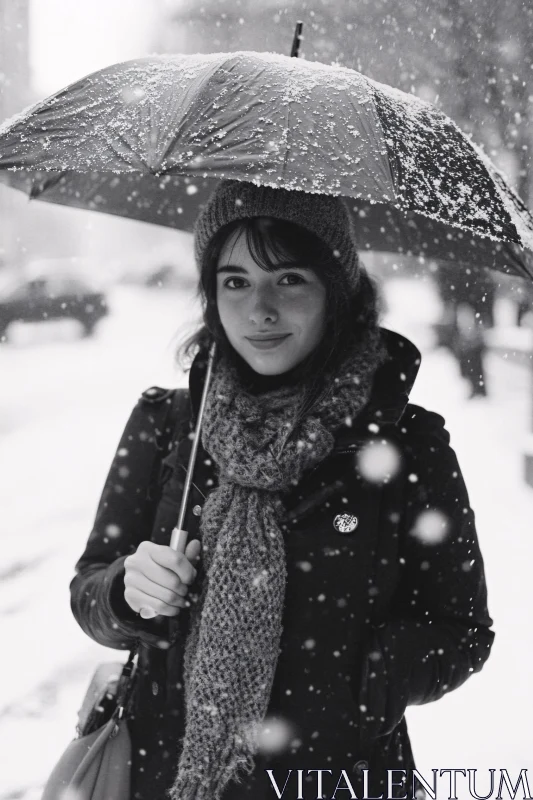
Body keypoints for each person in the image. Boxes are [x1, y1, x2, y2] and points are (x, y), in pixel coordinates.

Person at [70, 181, 495, 800]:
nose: (258, 309)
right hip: (162, 776)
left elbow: (461, 629)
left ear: (339, 291)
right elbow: (91, 590)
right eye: (235, 280)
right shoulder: (169, 426)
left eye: (289, 279)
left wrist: (360, 686)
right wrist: (124, 593)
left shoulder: (408, 444)